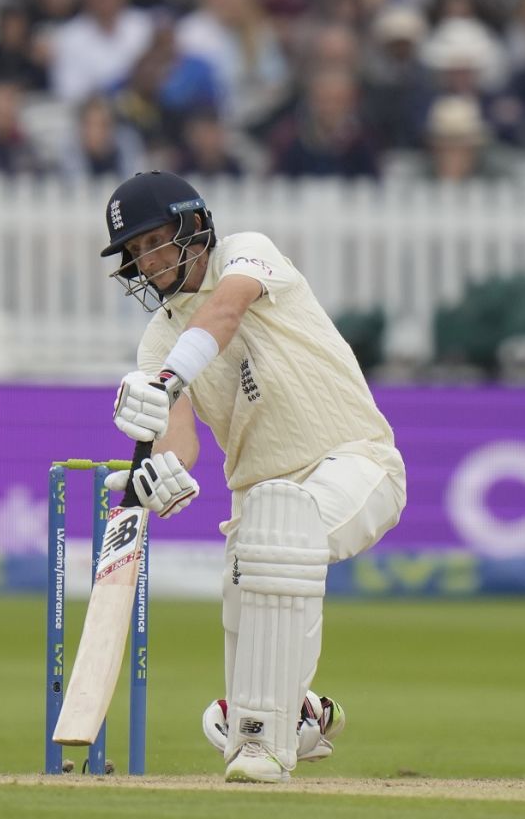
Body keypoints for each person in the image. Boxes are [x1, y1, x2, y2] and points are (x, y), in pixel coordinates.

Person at [99, 171, 406, 783]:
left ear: (194, 226)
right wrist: (161, 471)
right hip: (256, 502)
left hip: (356, 462)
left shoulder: (248, 252)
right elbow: (179, 442)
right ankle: (292, 713)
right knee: (258, 574)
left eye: (156, 240)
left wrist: (165, 380)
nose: (148, 260)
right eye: (135, 252)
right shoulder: (157, 340)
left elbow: (225, 310)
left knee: (283, 535)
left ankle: (267, 745)